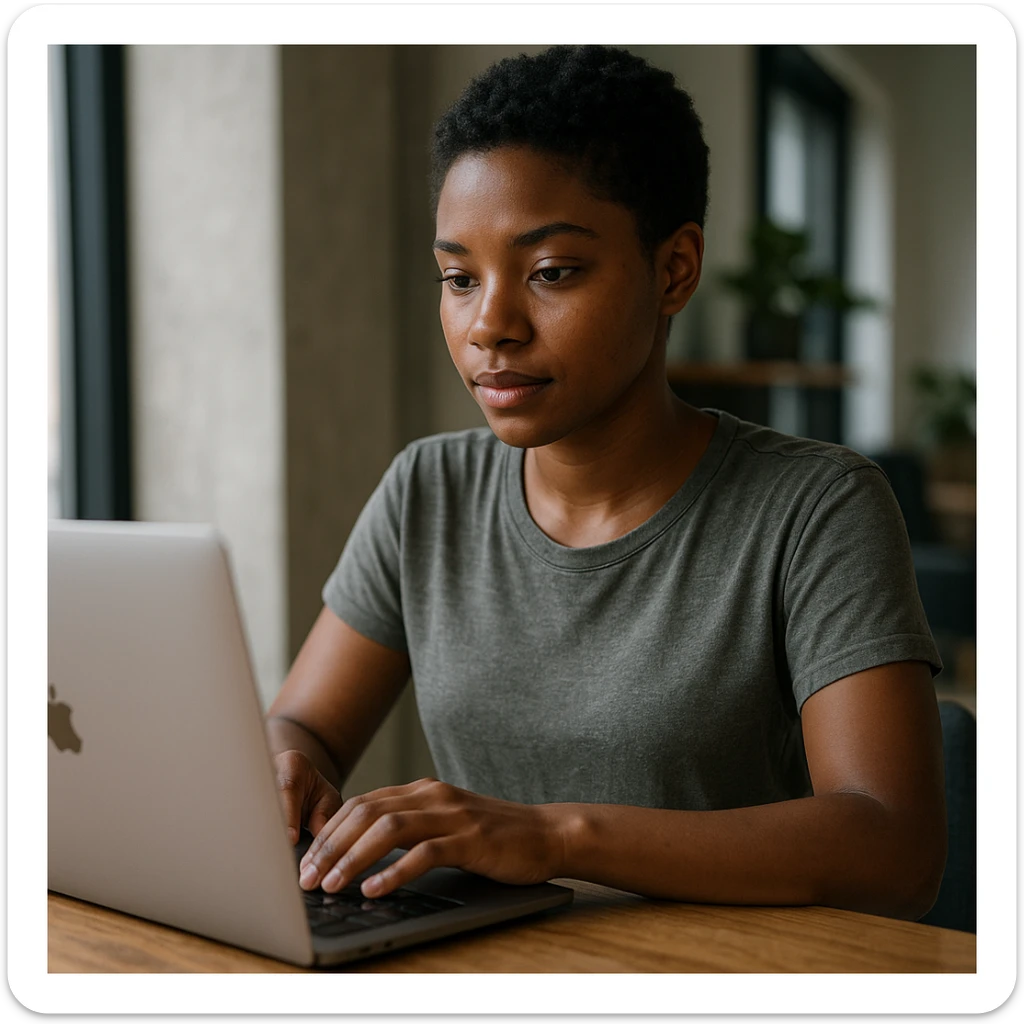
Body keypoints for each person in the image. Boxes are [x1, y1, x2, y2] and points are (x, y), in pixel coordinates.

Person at [266, 45, 947, 920]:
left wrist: (555, 839)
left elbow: (894, 847)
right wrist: (287, 768)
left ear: (675, 270)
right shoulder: (426, 490)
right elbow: (306, 726)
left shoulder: (817, 508)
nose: (490, 326)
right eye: (458, 278)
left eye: (551, 272)